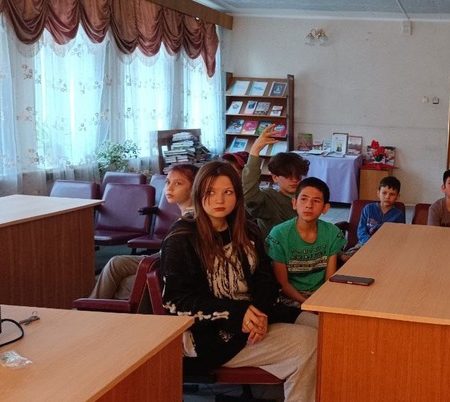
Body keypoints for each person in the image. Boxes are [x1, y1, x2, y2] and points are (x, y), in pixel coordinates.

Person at [160, 161, 317, 402]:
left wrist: (258, 314)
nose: (219, 200)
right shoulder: (182, 237)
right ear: (199, 193)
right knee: (310, 343)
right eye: (210, 192)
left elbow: (266, 280)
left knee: (328, 329)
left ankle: (274, 392)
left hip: (258, 318)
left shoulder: (247, 230)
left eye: (228, 192)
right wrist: (237, 314)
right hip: (211, 335)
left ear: (237, 196)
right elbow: (175, 302)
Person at [89, 164, 198, 299]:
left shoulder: (190, 220)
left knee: (122, 284)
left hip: (169, 267)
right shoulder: (185, 214)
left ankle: (91, 306)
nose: (169, 188)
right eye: (167, 182)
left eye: (178, 183)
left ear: (194, 188)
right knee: (115, 263)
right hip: (161, 257)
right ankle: (90, 305)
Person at [267, 177, 346, 307]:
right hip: (290, 299)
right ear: (294, 203)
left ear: (325, 208)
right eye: (303, 199)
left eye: (316, 201)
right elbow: (283, 284)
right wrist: (309, 305)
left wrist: (322, 302)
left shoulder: (332, 232)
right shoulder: (279, 234)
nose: (309, 205)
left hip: (321, 295)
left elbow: (329, 279)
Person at [243, 126, 310, 239]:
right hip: (278, 249)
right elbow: (250, 197)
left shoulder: (306, 198)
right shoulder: (269, 199)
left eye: (298, 175)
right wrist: (255, 150)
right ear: (275, 177)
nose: (294, 180)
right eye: (288, 175)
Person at [341, 175, 405, 262]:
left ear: (397, 196)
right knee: (348, 258)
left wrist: (383, 245)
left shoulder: (398, 214)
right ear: (378, 193)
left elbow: (399, 236)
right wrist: (370, 243)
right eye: (384, 193)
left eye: (392, 194)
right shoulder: (368, 209)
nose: (387, 197)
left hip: (386, 247)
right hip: (365, 244)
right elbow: (361, 230)